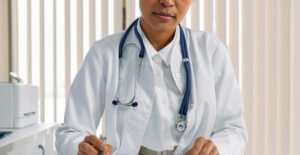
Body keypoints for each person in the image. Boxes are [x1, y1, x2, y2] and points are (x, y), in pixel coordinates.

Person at [55, 0, 248, 154]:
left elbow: (233, 129)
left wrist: (216, 149)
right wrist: (80, 148)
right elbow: (71, 131)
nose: (167, 2)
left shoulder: (211, 51)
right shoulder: (104, 53)